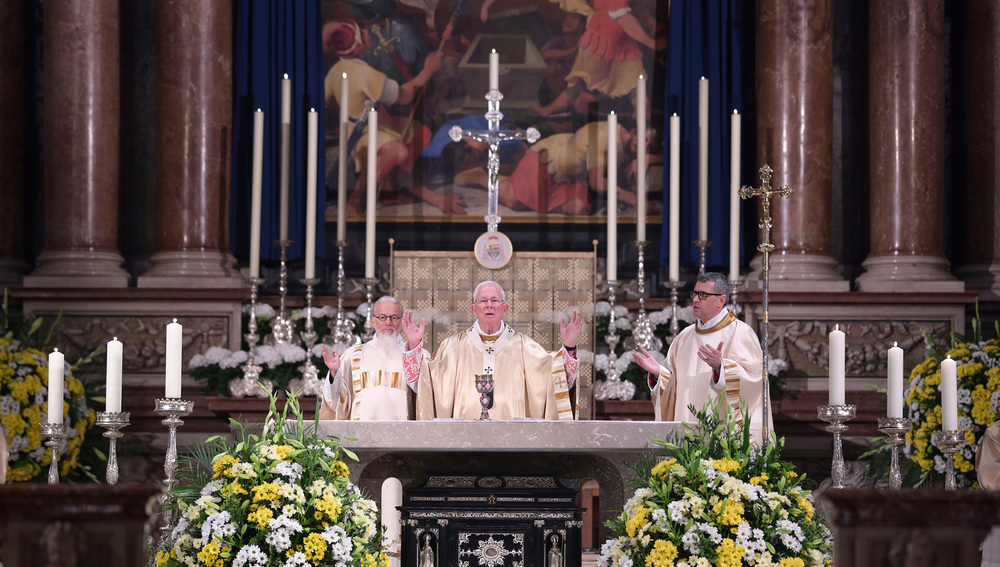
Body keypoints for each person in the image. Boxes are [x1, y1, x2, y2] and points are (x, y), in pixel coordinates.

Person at [403, 281, 583, 421]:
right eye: (483, 301)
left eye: (495, 300)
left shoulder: (526, 347)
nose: (489, 305)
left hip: (513, 441)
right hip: (463, 440)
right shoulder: (452, 347)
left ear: (505, 308)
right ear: (474, 308)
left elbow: (558, 379)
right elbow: (424, 382)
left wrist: (569, 346)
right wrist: (413, 344)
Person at [633, 273, 773, 444]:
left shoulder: (740, 333)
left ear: (721, 300)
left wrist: (722, 368)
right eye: (694, 294)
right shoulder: (684, 336)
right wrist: (659, 374)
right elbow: (673, 386)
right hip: (685, 435)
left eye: (703, 295)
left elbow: (755, 381)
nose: (695, 300)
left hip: (721, 438)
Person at [318, 296, 427, 420]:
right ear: (373, 322)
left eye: (394, 318)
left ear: (402, 322)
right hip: (362, 430)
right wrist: (334, 374)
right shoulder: (352, 355)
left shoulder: (417, 354)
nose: (388, 322)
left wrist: (413, 348)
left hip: (403, 430)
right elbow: (335, 403)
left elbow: (427, 397)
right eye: (382, 317)